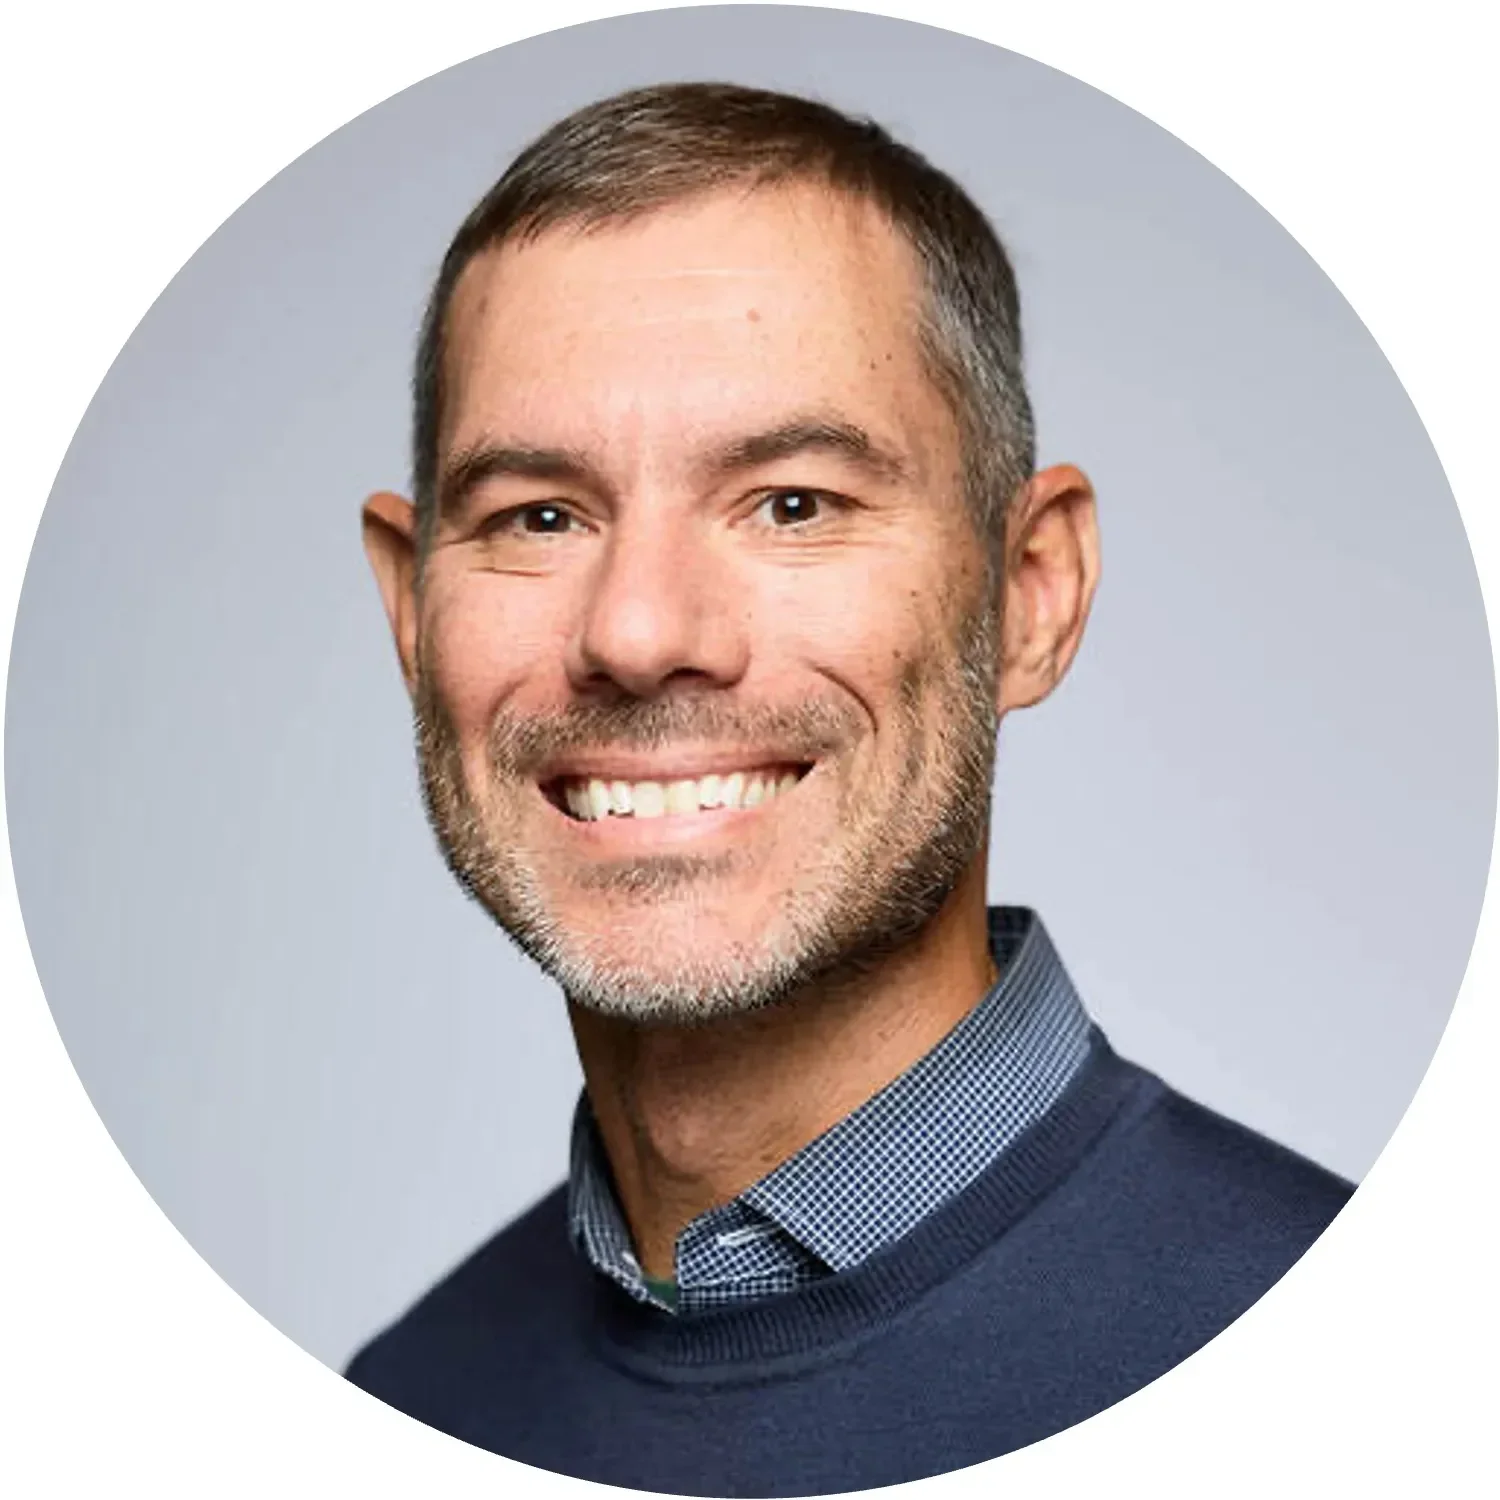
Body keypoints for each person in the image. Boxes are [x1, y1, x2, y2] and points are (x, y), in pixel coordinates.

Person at [348, 81, 1351, 1493]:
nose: (638, 632)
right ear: (411, 613)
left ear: (1031, 592)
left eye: (793, 503)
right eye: (541, 517)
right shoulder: (402, 1406)